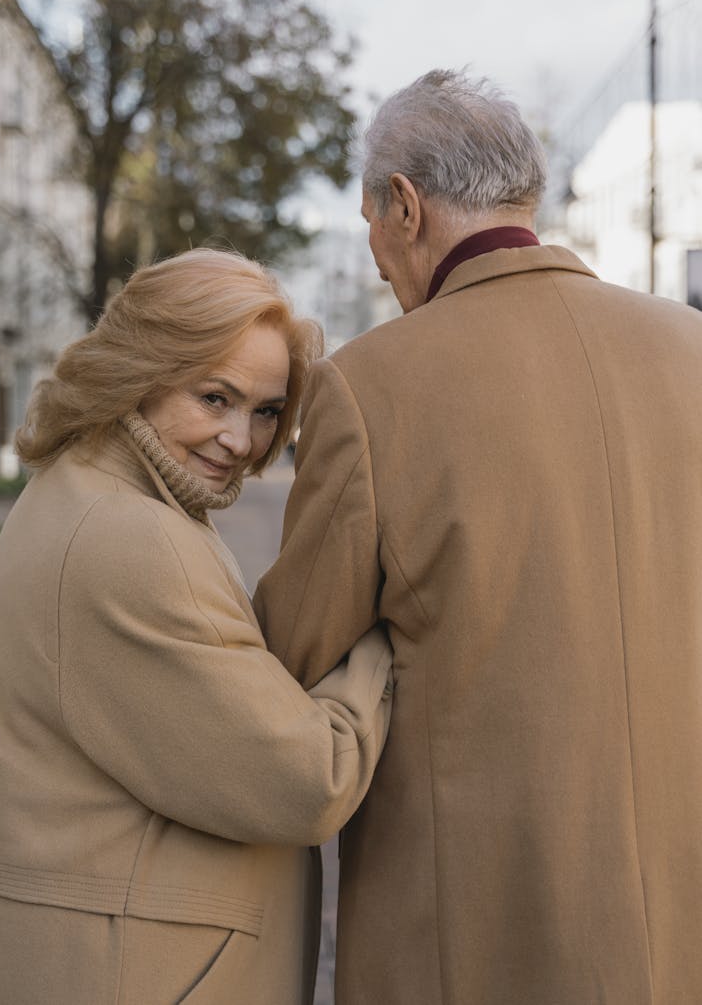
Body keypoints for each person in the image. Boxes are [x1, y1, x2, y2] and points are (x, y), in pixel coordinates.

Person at [254, 69, 702, 1004]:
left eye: (373, 226)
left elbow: (292, 646)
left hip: (475, 926)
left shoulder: (368, 385)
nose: (378, 260)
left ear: (405, 208)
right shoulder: (688, 349)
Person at [0, 249, 393, 1005]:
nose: (240, 440)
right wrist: (381, 634)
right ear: (140, 371)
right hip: (134, 970)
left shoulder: (82, 482)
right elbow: (307, 781)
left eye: (263, 411)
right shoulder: (132, 538)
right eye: (214, 397)